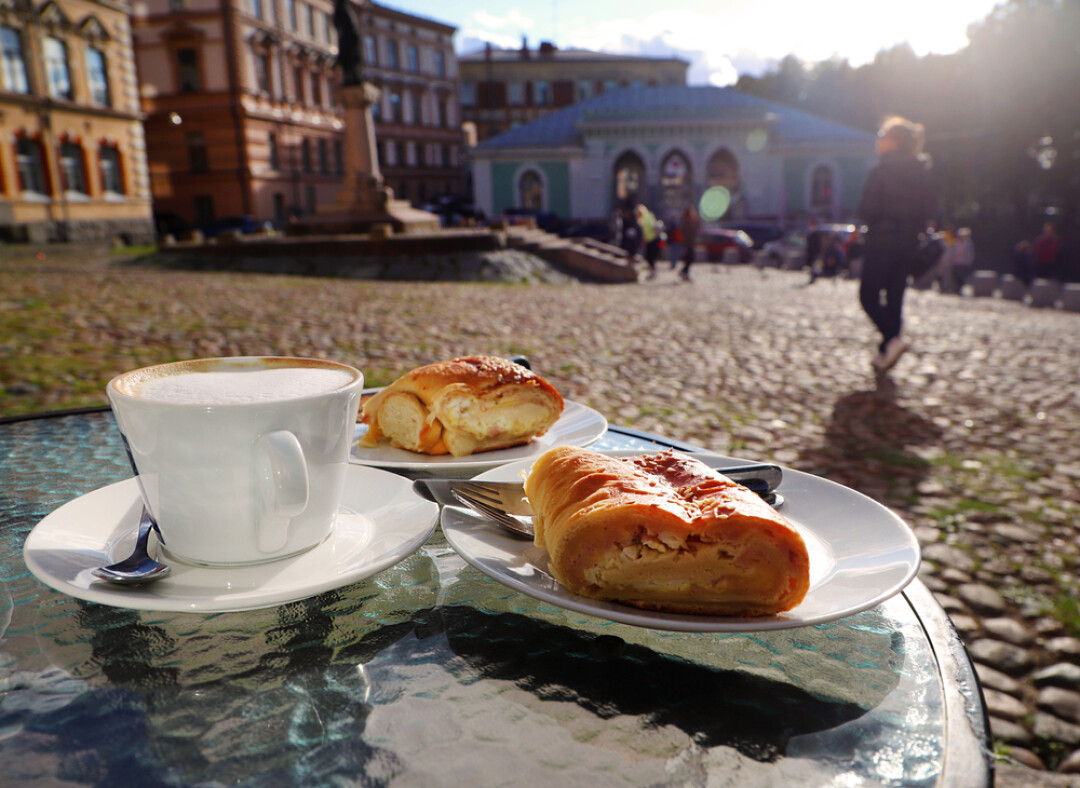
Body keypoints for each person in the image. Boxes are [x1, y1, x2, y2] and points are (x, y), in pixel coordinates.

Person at [856, 115, 937, 374]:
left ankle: (892, 339)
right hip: (908, 244)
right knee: (894, 298)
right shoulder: (921, 172)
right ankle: (886, 354)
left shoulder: (880, 172)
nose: (878, 141)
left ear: (893, 142)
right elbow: (929, 209)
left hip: (881, 242)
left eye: (882, 136)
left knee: (868, 296)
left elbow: (866, 211)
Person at [677, 204, 701, 281]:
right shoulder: (687, 221)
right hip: (688, 243)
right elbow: (693, 230)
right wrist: (696, 221)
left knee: (688, 259)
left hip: (688, 243)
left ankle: (684, 273)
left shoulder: (686, 220)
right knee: (690, 259)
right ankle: (683, 272)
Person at [636, 204, 661, 278]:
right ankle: (653, 271)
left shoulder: (643, 219)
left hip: (651, 239)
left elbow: (645, 231)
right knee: (651, 257)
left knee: (649, 257)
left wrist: (643, 240)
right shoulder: (650, 215)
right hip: (654, 238)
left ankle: (653, 271)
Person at [949, 227, 975, 292]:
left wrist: (969, 261)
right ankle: (955, 288)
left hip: (964, 263)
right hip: (956, 262)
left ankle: (959, 289)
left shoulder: (968, 244)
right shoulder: (956, 243)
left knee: (962, 277)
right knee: (955, 276)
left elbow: (970, 253)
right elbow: (952, 252)